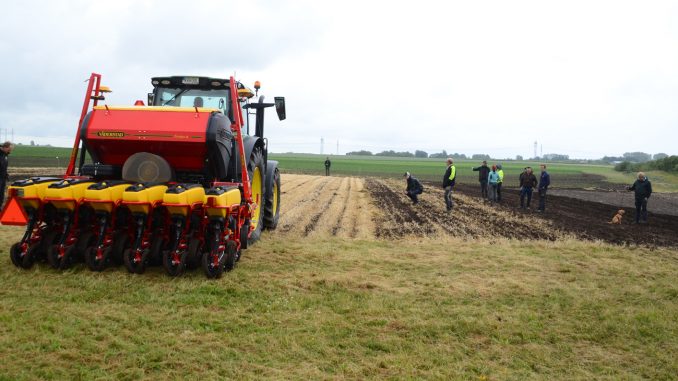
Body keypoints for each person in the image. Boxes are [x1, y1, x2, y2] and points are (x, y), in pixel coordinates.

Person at [0, 141, 14, 208]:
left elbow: (3, 166)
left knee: (1, 195)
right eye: (9, 149)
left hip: (2, 178)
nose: (10, 151)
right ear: (5, 147)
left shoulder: (5, 155)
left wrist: (6, 174)